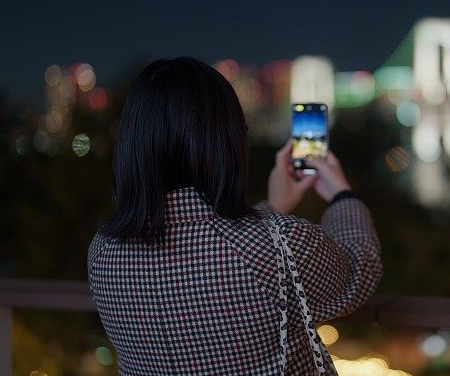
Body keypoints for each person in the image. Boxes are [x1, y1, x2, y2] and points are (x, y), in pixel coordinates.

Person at [87, 57, 382, 375]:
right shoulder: (280, 245)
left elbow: (216, 241)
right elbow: (358, 274)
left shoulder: (103, 252)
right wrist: (342, 197)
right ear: (226, 141)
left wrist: (274, 205)